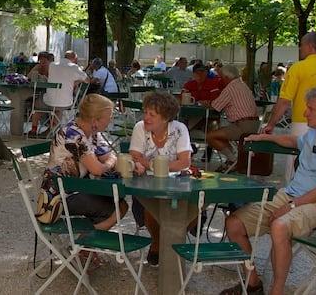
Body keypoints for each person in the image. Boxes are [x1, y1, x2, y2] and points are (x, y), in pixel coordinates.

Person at [221, 85, 316, 295]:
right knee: (234, 223)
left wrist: (291, 205)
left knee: (280, 225)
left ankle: (278, 290)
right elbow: (294, 141)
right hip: (290, 194)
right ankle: (253, 282)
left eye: (310, 108)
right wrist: (265, 137)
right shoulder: (314, 133)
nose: (305, 113)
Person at [261, 32, 316, 182]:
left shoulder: (298, 68)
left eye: (301, 45)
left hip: (303, 123)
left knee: (294, 168)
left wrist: (271, 124)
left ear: (310, 46)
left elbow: (284, 101)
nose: (300, 48)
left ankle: (292, 198)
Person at [126, 90, 192, 266]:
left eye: (151, 114)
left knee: (192, 208)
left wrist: (150, 164)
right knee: (150, 206)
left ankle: (170, 241)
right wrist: (163, 165)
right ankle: (158, 241)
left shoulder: (179, 129)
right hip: (146, 182)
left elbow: (185, 162)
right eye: (145, 112)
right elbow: (135, 158)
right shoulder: (140, 128)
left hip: (176, 182)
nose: (146, 117)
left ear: (165, 118)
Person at [46, 94, 126, 232]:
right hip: (59, 196)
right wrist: (107, 164)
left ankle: (85, 247)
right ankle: (84, 245)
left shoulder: (92, 132)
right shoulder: (73, 134)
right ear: (95, 120)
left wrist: (109, 162)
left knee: (119, 202)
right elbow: (97, 169)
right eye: (109, 116)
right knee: (116, 206)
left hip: (80, 189)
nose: (111, 120)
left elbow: (110, 157)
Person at [205, 65, 260, 169]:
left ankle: (234, 160)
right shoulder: (242, 85)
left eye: (221, 77)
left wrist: (206, 103)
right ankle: (232, 160)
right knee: (221, 133)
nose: (221, 80)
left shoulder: (230, 88)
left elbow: (215, 106)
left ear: (226, 77)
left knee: (211, 136)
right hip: (254, 125)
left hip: (243, 127)